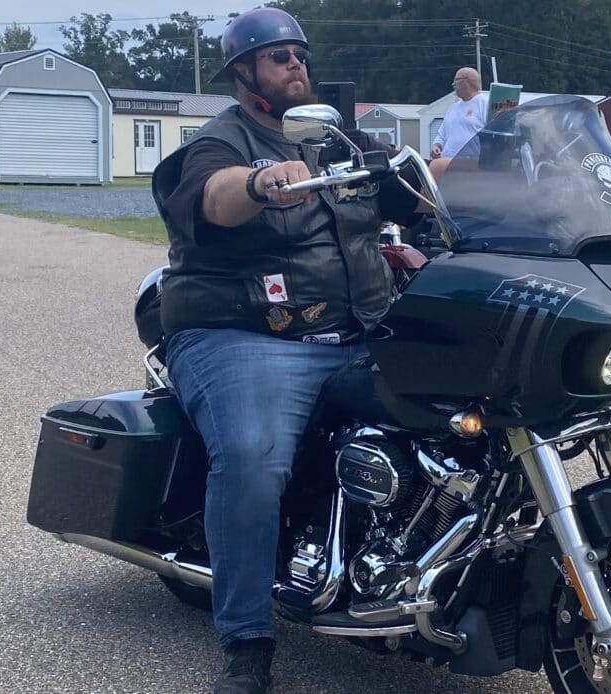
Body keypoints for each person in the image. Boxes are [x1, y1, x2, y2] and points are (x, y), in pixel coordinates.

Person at [149, 8, 421, 694]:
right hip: (243, 334)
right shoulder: (221, 141)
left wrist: (497, 176)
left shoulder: (338, 140)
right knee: (251, 455)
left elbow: (417, 187)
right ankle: (247, 642)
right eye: (278, 56)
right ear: (244, 73)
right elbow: (212, 197)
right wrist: (256, 182)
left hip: (358, 331)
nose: (296, 64)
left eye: (299, 54)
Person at [429, 67, 488, 159]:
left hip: (474, 162)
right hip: (448, 161)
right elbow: (442, 134)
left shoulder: (485, 104)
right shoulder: (452, 108)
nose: (453, 84)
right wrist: (437, 145)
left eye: (456, 80)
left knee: (434, 166)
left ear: (467, 82)